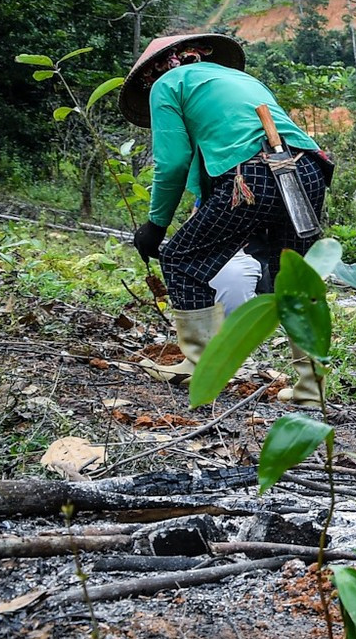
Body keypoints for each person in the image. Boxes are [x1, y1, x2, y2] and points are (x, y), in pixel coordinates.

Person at [122, 31, 331, 404]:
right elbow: (215, 159)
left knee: (181, 258)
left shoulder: (166, 85)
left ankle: (203, 368)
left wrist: (155, 226)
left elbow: (172, 163)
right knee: (293, 275)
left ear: (152, 72)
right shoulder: (240, 80)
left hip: (252, 175)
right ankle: (310, 386)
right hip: (308, 170)